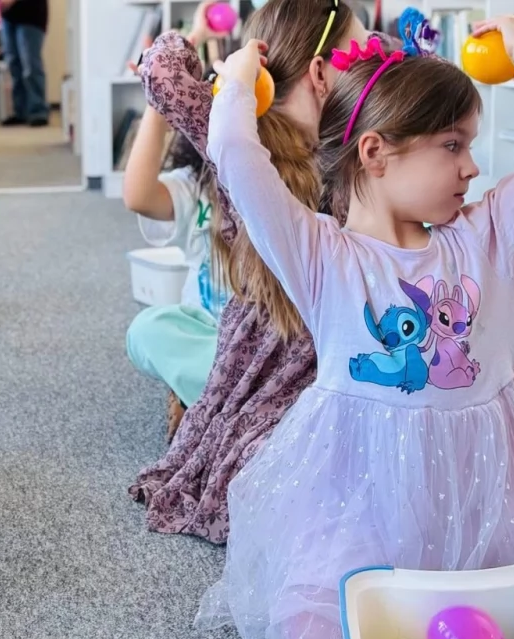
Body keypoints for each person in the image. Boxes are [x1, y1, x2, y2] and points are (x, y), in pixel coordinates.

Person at [199, 17, 514, 639]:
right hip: (368, 500)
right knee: (329, 619)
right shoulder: (320, 256)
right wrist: (241, 77)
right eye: (453, 145)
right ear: (376, 152)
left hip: (498, 487)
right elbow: (236, 155)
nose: (473, 168)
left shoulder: (494, 236)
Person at [128, 0, 371, 545]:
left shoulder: (353, 145)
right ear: (319, 75)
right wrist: (233, 77)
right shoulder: (243, 145)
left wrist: (233, 73)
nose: (372, 75)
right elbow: (163, 69)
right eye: (363, 59)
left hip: (326, 359)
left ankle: (214, 403)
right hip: (270, 363)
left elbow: (165, 65)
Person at [122, 108, 229, 441]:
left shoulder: (288, 178)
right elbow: (139, 196)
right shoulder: (197, 184)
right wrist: (157, 106)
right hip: (207, 336)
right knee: (145, 331)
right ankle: (212, 397)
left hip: (262, 347)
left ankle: (205, 399)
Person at [0, 0, 49, 127]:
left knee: (30, 66)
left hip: (30, 15)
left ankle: (38, 111)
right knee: (14, 66)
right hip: (8, 17)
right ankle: (21, 111)